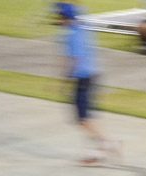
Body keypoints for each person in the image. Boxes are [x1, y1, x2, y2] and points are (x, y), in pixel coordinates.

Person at [54, 2, 120, 166]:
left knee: (82, 120)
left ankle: (110, 143)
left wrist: (64, 82)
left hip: (82, 79)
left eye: (59, 16)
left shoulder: (70, 35)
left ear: (65, 18)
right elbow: (79, 8)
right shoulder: (84, 26)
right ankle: (95, 153)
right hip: (94, 76)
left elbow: (74, 60)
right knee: (90, 118)